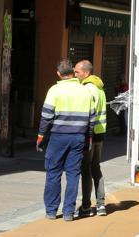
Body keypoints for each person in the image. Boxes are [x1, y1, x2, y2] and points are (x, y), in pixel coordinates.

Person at [36, 59, 96, 222]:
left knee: (53, 173)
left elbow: (46, 116)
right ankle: (69, 212)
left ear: (58, 73)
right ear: (73, 72)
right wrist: (88, 137)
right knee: (73, 174)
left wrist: (41, 136)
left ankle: (51, 211)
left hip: (58, 137)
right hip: (78, 137)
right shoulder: (85, 91)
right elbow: (92, 118)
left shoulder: (54, 90)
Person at [73, 60, 108, 217]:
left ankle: (86, 206)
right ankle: (101, 205)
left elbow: (88, 113)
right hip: (100, 134)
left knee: (86, 170)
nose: (75, 74)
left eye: (77, 72)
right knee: (96, 168)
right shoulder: (99, 88)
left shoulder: (88, 89)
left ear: (86, 73)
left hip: (90, 135)